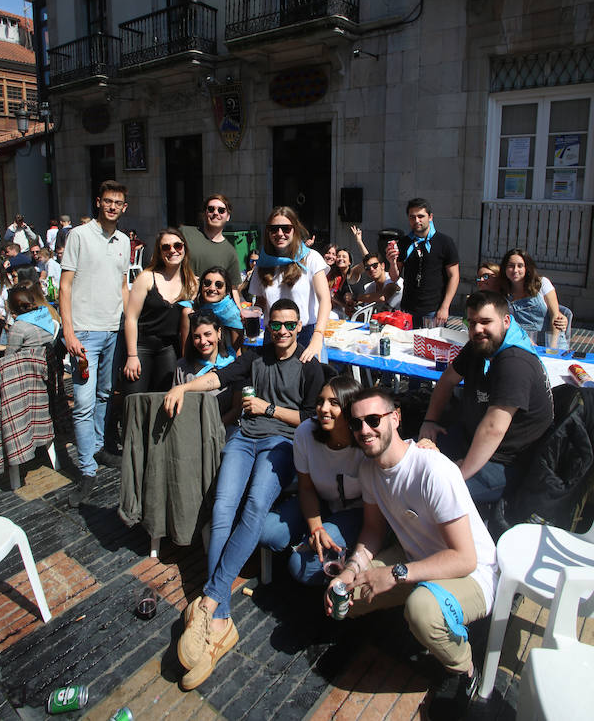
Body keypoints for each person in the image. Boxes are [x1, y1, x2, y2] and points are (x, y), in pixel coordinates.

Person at [169, 298, 324, 690]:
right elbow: (219, 377)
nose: (283, 333)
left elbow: (311, 417)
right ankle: (217, 614)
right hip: (243, 439)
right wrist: (185, 386)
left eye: (290, 326)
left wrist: (269, 409)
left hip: (283, 445)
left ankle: (208, 602)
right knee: (223, 507)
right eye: (277, 326)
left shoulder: (310, 366)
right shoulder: (255, 355)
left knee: (255, 504)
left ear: (300, 325)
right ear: (268, 326)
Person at [325, 387, 499, 721]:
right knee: (346, 597)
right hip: (416, 561)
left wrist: (393, 574)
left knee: (422, 611)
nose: (364, 430)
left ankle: (466, 670)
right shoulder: (370, 470)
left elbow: (465, 558)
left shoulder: (432, 470)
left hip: (472, 574)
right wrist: (350, 570)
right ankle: (420, 614)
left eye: (373, 420)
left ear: (396, 417)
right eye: (357, 423)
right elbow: (373, 532)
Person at [418, 290, 553, 507]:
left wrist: (461, 472)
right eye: (472, 323)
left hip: (508, 462)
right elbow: (447, 379)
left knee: (437, 492)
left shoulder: (515, 362)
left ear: (506, 321)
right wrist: (430, 421)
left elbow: (494, 428)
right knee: (414, 461)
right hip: (470, 438)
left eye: (486, 321)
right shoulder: (479, 345)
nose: (478, 329)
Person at [60, 180, 130, 506]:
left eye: (118, 202)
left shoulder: (124, 241)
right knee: (83, 404)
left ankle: (99, 448)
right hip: (85, 332)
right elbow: (64, 287)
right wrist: (69, 333)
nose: (112, 206)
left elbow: (123, 286)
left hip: (114, 330)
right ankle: (87, 468)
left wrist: (129, 323)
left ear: (124, 207)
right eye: (108, 201)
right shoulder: (78, 235)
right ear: (98, 203)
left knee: (105, 394)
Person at [260, 374, 364, 585]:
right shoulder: (305, 433)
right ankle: (311, 538)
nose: (323, 408)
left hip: (356, 512)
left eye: (334, 403)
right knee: (267, 533)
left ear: (352, 409)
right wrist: (316, 527)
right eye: (320, 401)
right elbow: (306, 488)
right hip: (320, 501)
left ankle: (339, 551)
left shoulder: (365, 441)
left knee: (300, 567)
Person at [248, 206, 331, 362]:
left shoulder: (311, 258)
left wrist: (318, 336)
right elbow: (260, 303)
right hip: (273, 336)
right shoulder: (262, 264)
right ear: (268, 232)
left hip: (306, 335)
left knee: (309, 384)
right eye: (274, 229)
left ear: (295, 230)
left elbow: (325, 300)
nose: (280, 233)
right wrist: (252, 314)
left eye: (285, 228)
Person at [123, 228, 198, 395]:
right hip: (141, 345)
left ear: (184, 248)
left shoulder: (192, 283)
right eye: (166, 247)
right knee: (135, 398)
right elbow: (131, 318)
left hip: (169, 348)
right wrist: (132, 355)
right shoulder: (146, 278)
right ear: (159, 251)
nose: (172, 250)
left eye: (177, 245)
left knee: (165, 398)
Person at [387, 198, 460, 328]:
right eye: (412, 217)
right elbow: (394, 277)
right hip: (408, 308)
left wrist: (445, 307)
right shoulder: (404, 243)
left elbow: (454, 276)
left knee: (430, 347)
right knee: (407, 346)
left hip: (434, 309)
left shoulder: (445, 242)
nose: (417, 221)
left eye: (421, 216)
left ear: (430, 217)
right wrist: (392, 262)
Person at [171, 309, 240, 427]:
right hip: (191, 428)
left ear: (218, 333)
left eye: (208, 334)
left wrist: (215, 429)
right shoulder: (182, 367)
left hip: (225, 428)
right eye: (197, 337)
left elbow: (237, 409)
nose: (203, 341)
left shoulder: (233, 364)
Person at [180, 194, 241, 307]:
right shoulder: (185, 233)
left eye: (221, 210)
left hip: (208, 314)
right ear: (205, 214)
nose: (216, 213)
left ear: (228, 216)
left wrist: (240, 314)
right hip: (180, 301)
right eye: (211, 209)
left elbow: (233, 289)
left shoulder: (230, 252)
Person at [498, 247, 567, 347]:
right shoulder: (502, 293)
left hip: (552, 341)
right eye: (511, 266)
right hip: (524, 343)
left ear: (527, 268)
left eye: (520, 266)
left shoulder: (542, 284)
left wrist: (552, 347)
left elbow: (556, 317)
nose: (515, 270)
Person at [180, 265, 243, 354]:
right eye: (207, 283)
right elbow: (185, 349)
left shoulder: (233, 313)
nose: (212, 288)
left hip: (225, 363)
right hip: (195, 362)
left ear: (226, 290)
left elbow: (237, 351)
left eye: (219, 285)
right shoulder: (190, 311)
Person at [5, 283, 57, 355]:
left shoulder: (18, 327)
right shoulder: (45, 314)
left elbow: (9, 356)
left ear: (12, 307)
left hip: (30, 363)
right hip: (49, 360)